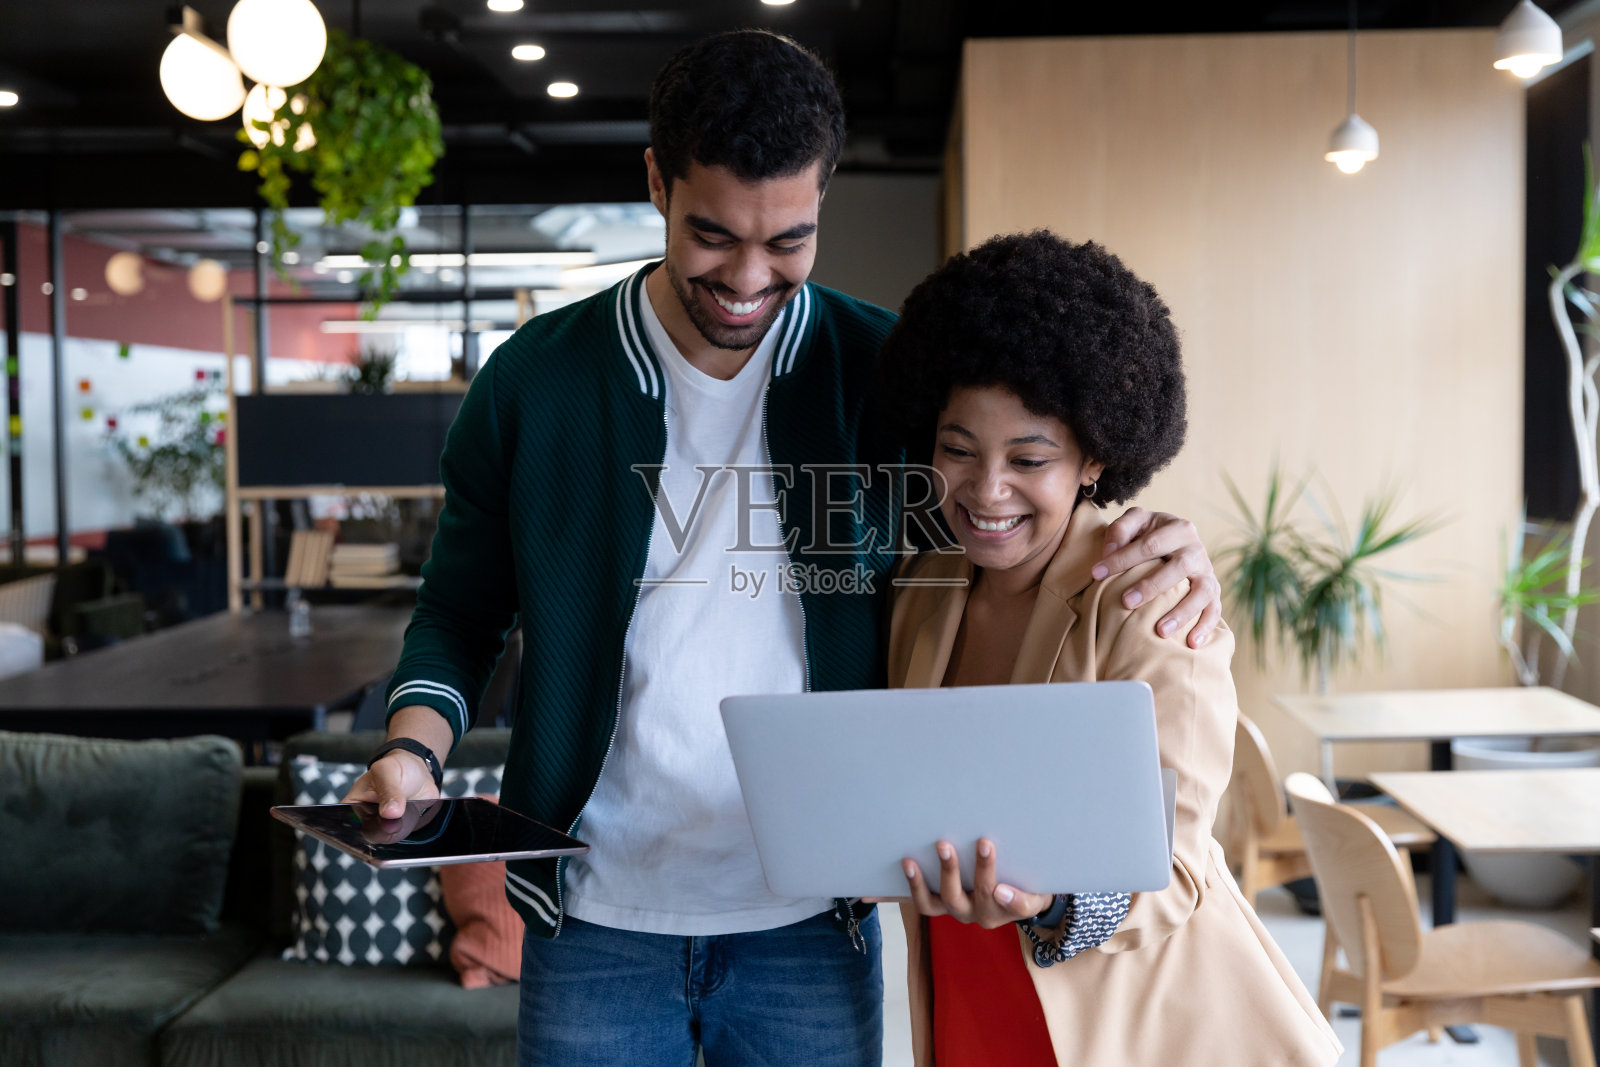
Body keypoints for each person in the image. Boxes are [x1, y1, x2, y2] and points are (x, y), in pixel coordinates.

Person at [347, 32, 1225, 1067]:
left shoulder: (882, 374)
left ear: (822, 201)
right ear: (657, 182)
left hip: (810, 920)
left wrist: (1154, 536)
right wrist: (412, 749)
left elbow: (1011, 499)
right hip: (593, 914)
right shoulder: (534, 383)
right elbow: (459, 611)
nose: (748, 277)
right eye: (712, 235)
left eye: (789, 241)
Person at [876, 231, 1341, 1067]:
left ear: (1093, 457)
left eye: (1029, 458)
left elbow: (1175, 867)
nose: (986, 489)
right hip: (965, 989)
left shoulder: (1153, 601)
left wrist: (1051, 899)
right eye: (957, 449)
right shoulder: (921, 588)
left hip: (1128, 1020)